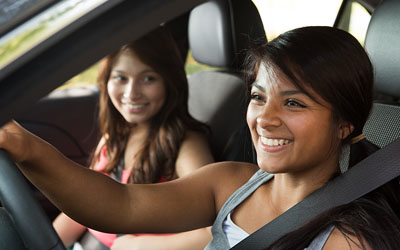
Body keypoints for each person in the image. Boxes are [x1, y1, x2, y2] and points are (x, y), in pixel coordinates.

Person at [1, 26, 399, 250]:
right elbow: (120, 203)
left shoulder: (345, 242)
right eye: (259, 97)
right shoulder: (231, 183)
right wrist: (27, 147)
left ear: (345, 123)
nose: (265, 118)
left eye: (294, 104)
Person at [52, 27, 214, 249]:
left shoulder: (185, 145)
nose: (131, 93)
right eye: (121, 78)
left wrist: (134, 246)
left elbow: (216, 231)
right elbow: (84, 202)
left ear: (169, 81)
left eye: (148, 78)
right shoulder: (114, 137)